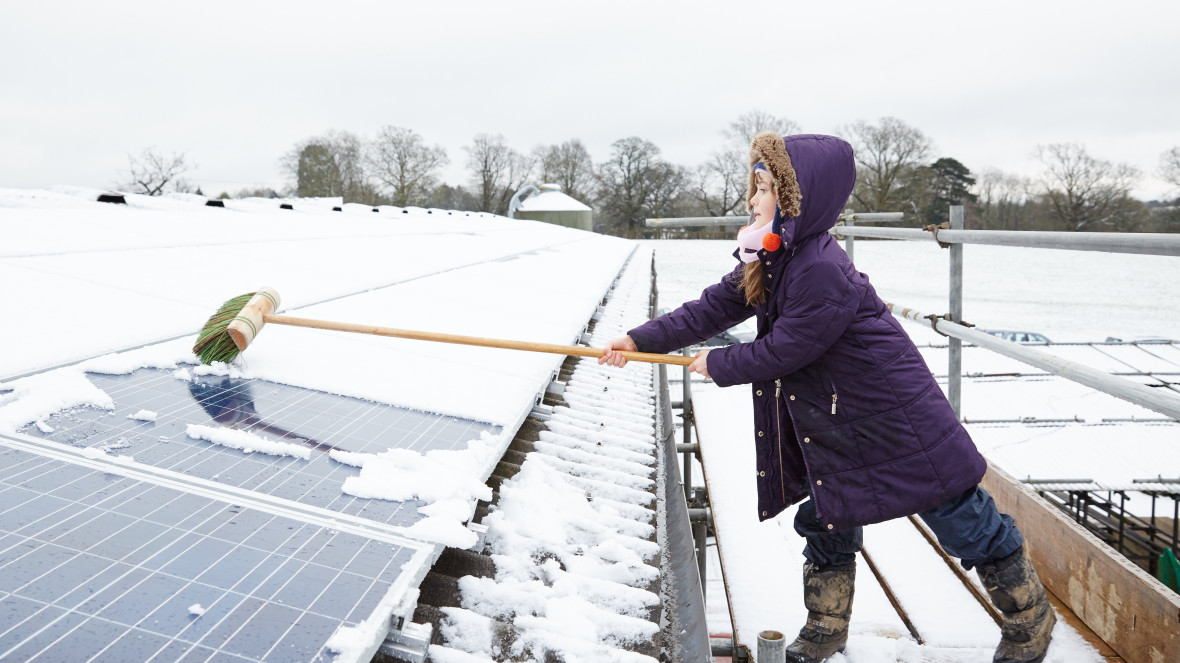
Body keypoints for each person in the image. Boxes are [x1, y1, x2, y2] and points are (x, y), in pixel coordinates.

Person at [599, 133, 1055, 663]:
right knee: (826, 514)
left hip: (893, 415)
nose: (753, 199)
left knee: (957, 514)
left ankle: (1029, 619)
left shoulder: (819, 267)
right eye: (755, 186)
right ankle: (827, 624)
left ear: (796, 199)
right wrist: (637, 340)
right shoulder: (774, 254)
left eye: (765, 188)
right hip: (838, 416)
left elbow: (787, 348)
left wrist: (719, 363)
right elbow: (713, 308)